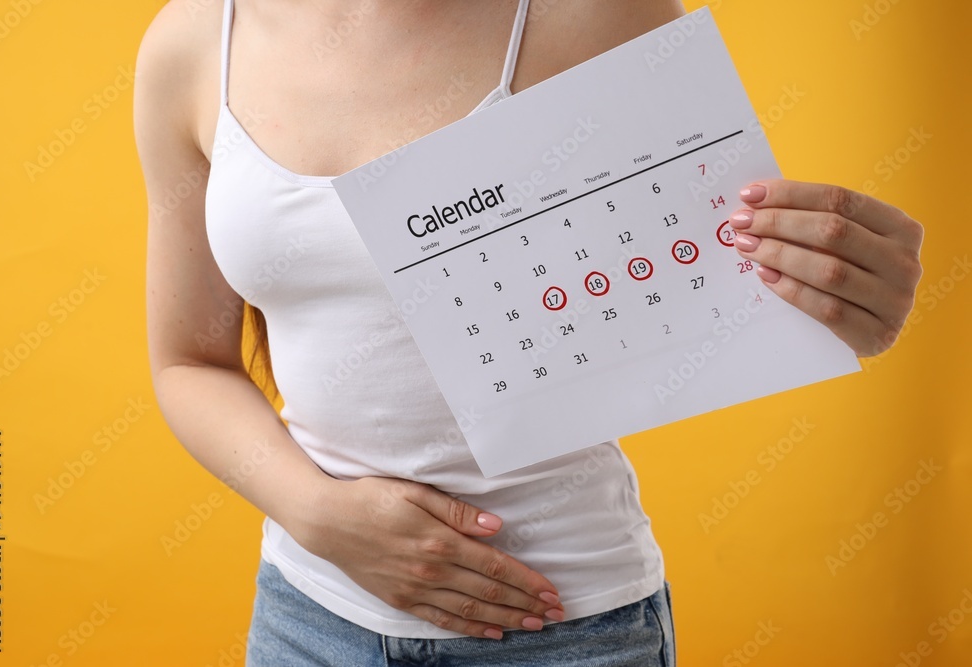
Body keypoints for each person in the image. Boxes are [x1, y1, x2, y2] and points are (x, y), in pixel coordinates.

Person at [133, 0, 924, 664]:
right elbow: (187, 361)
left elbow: (717, 277)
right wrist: (315, 514)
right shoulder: (194, 44)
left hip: (562, 627)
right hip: (307, 616)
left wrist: (841, 296)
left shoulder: (596, 13)